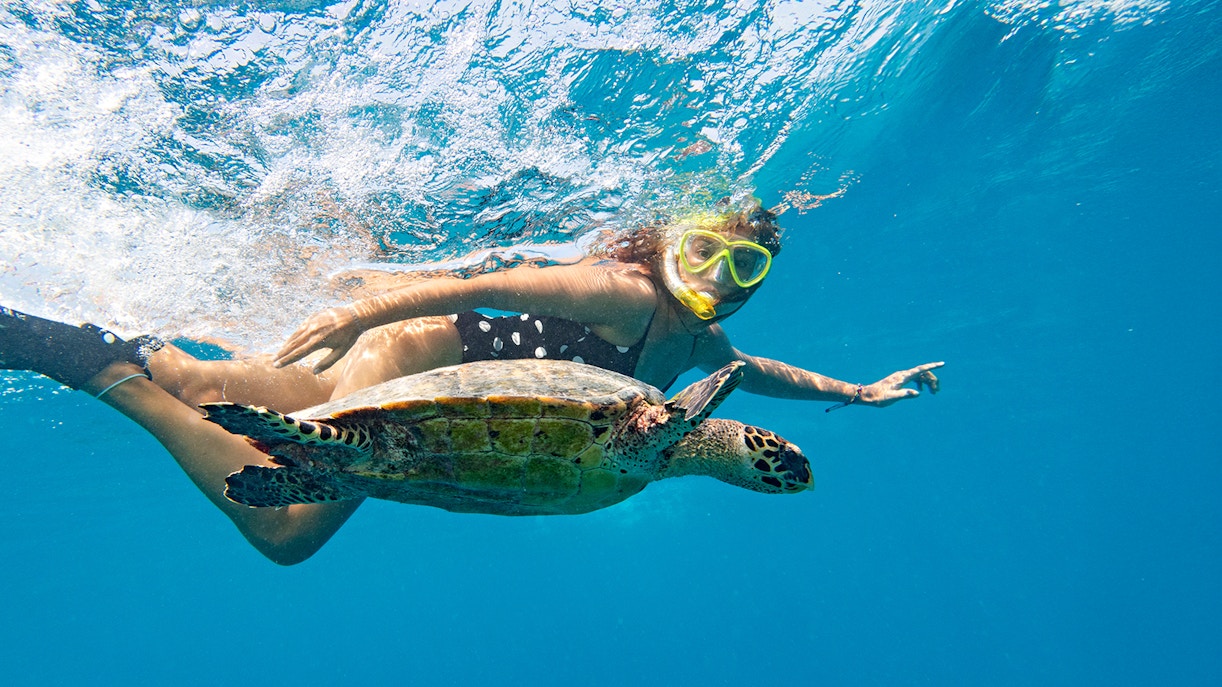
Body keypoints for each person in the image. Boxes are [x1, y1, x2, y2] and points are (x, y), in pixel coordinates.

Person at [0, 201, 942, 564]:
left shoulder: (689, 345)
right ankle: (98, 367)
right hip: (414, 361)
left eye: (743, 271)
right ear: (667, 245)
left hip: (434, 384)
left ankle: (111, 345)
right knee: (285, 527)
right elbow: (476, 283)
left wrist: (858, 392)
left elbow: (752, 370)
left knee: (221, 387)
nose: (714, 281)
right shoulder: (620, 291)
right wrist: (362, 311)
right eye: (704, 252)